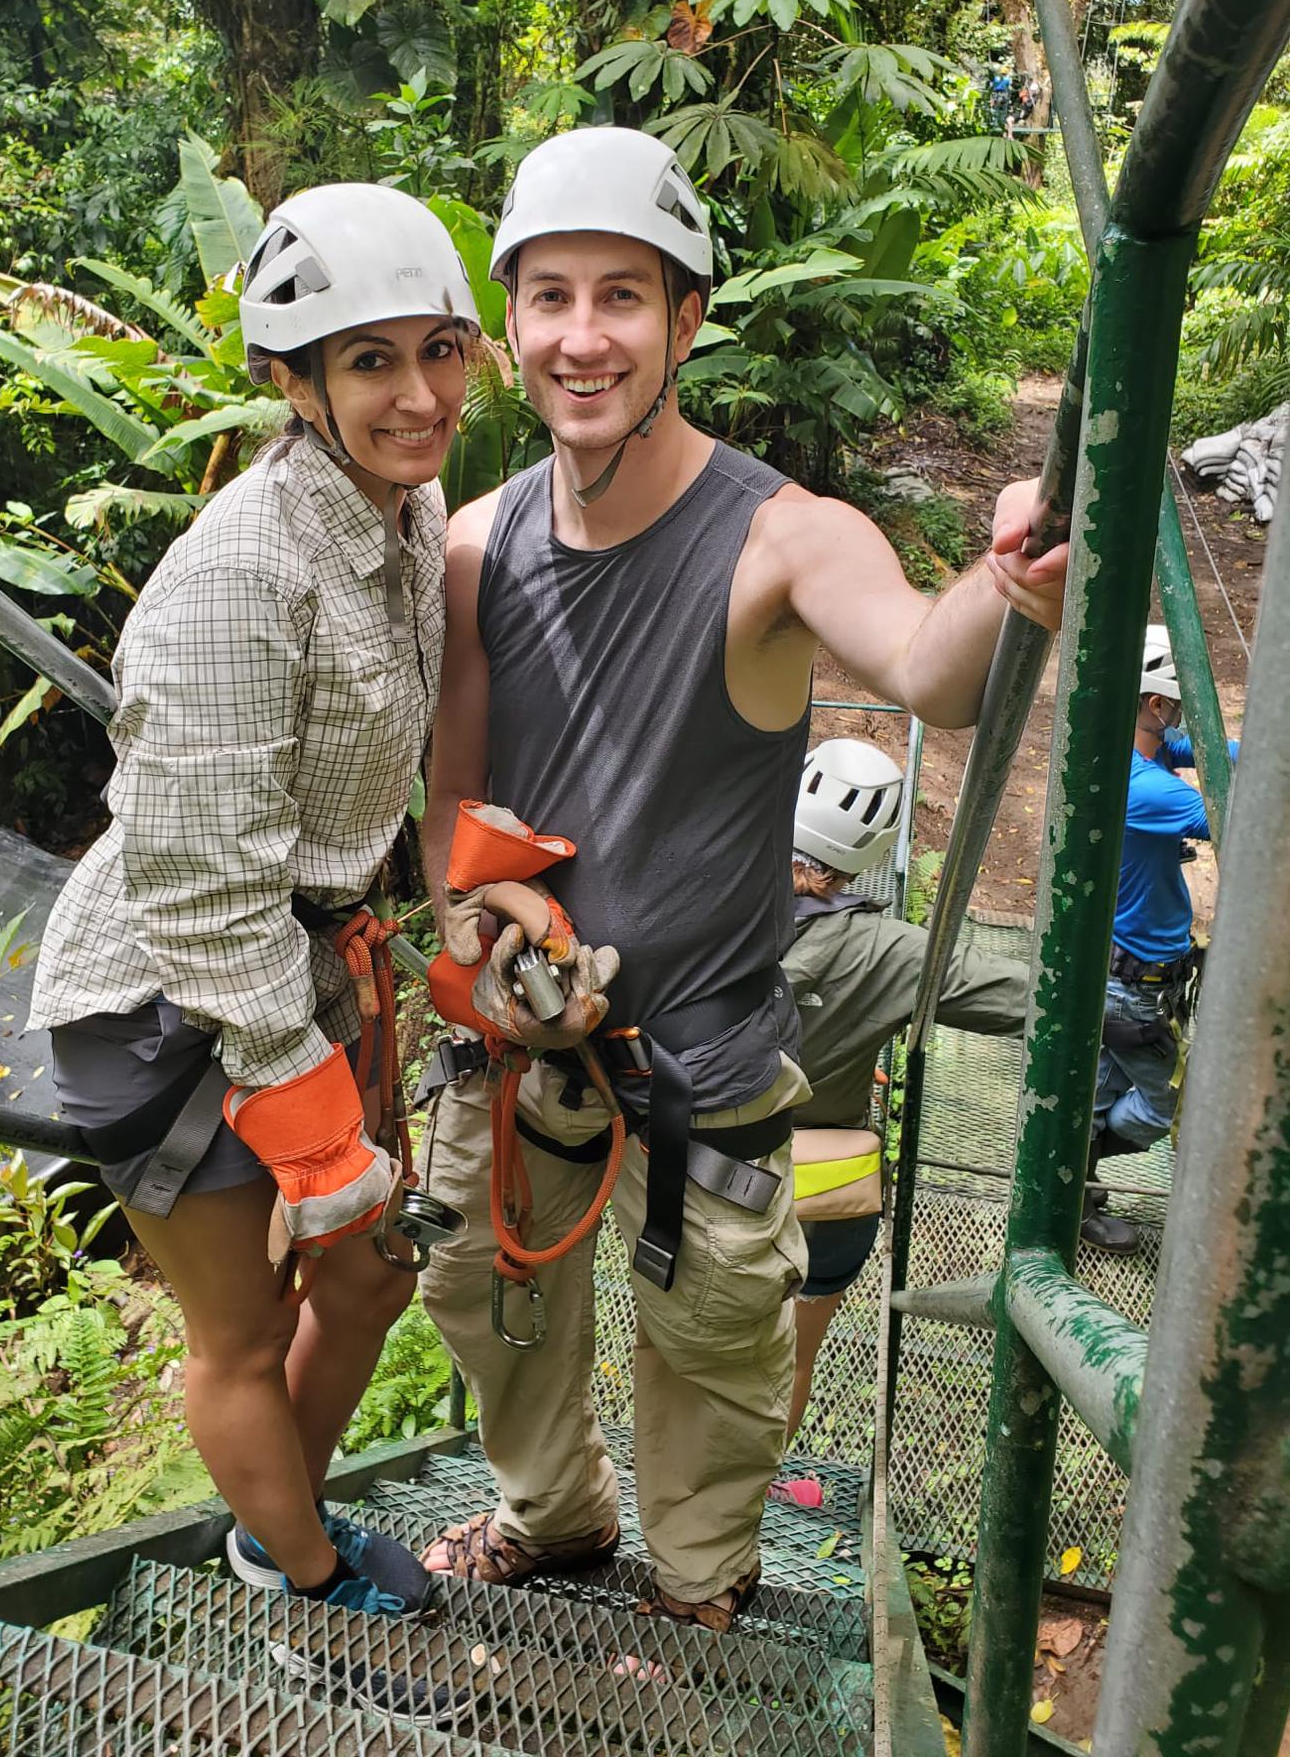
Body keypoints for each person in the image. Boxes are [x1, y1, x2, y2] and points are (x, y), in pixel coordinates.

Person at [413, 126, 1069, 1632]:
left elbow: (923, 666)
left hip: (698, 1057)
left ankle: (696, 1587)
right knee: (482, 1296)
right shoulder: (471, 547)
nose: (585, 337)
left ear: (686, 322)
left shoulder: (779, 539)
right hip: (517, 1038)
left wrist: (1005, 579)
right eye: (553, 297)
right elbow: (459, 797)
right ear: (511, 326)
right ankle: (557, 1518)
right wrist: (473, 925)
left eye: (625, 298)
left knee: (710, 1340)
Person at [27, 183, 481, 1619]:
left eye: (439, 350)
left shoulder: (403, 513)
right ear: (294, 384)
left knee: (368, 1279)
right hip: (168, 988)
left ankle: (281, 1507)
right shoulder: (241, 572)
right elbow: (202, 895)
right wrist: (305, 1114)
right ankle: (302, 1568)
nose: (418, 394)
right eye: (368, 361)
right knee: (245, 1324)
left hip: (304, 952)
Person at [778, 737, 1029, 1462]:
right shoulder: (888, 951)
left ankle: (673, 1495)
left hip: (693, 1186)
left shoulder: (700, 900)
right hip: (817, 1199)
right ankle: (742, 1504)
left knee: (686, 1350)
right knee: (790, 1358)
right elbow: (1022, 996)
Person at [1083, 625, 1237, 1253]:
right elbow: (1238, 813)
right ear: (1153, 704)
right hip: (1135, 988)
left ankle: (1076, 1184)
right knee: (1160, 1107)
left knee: (1095, 1093)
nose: (1180, 717)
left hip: (1123, 976)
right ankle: (1075, 1181)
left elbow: (1219, 749)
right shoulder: (1145, 788)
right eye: (1175, 702)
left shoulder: (1138, 750)